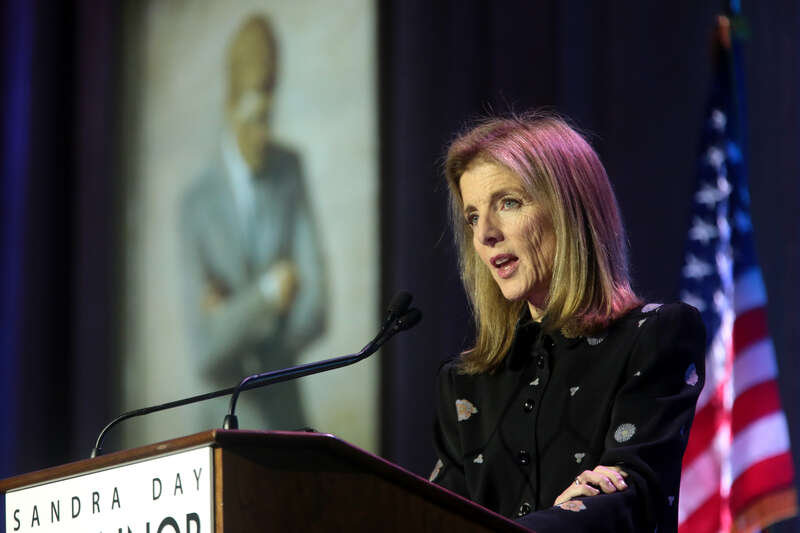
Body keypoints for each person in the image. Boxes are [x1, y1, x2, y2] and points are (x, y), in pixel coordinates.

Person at [429, 112, 705, 532]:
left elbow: (633, 497)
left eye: (508, 203)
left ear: (568, 210)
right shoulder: (466, 381)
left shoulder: (654, 338)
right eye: (471, 216)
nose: (485, 233)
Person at [180, 15, 325, 430]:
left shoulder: (289, 169)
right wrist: (267, 294)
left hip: (286, 418)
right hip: (219, 424)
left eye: (269, 99)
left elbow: (315, 307)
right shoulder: (195, 203)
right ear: (231, 97)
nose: (263, 128)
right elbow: (204, 350)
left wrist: (231, 316)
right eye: (252, 104)